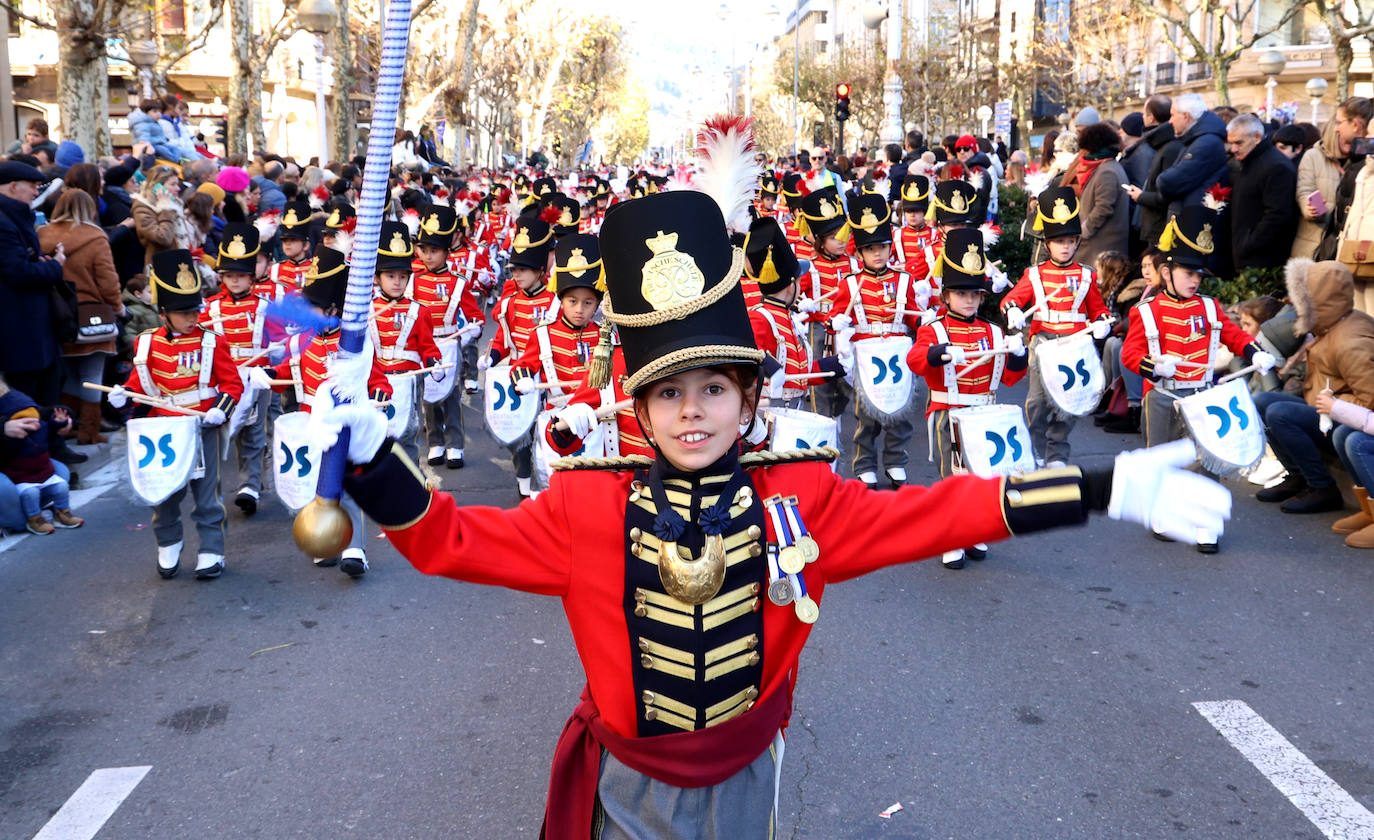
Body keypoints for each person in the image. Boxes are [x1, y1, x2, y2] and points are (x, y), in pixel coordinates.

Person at [307, 186, 1231, 838]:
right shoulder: (586, 502)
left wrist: (1109, 490)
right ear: (637, 409)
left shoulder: (803, 495)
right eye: (668, 395)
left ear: (751, 401)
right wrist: (367, 461)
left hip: (749, 772)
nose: (694, 411)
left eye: (715, 388)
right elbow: (450, 541)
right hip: (629, 783)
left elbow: (948, 511)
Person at [1121, 208, 1275, 551]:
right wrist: (1155, 366)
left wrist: (1254, 352)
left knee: (1209, 457)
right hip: (1162, 394)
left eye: (1198, 275)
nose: (1194, 281)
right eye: (1187, 273)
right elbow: (1129, 354)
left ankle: (1206, 519)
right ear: (1166, 272)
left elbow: (1233, 335)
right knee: (1163, 456)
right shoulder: (1146, 311)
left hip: (1203, 392)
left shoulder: (1209, 307)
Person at [252, 247, 392, 575]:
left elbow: (378, 377)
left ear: (333, 308)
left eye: (314, 305)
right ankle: (325, 541)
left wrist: (380, 396)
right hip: (312, 424)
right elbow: (290, 368)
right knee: (318, 485)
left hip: (346, 423)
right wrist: (268, 375)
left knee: (348, 487)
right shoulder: (304, 339)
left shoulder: (357, 343)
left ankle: (354, 548)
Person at [108, 249, 242, 579]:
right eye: (183, 313)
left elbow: (232, 384)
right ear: (164, 312)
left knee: (207, 495)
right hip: (163, 430)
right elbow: (140, 384)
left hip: (202, 427)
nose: (191, 318)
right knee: (164, 492)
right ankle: (168, 542)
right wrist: (122, 394)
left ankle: (211, 551)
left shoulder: (213, 341)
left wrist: (219, 411)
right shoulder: (146, 343)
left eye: (194, 310)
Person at [909, 227, 1028, 567]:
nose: (969, 300)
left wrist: (1018, 354)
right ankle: (952, 537)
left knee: (981, 480)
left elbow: (1008, 376)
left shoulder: (993, 331)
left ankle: (972, 531)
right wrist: (937, 354)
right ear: (945, 296)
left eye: (975, 294)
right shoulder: (933, 330)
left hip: (984, 414)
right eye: (961, 294)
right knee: (953, 479)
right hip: (949, 411)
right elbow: (915, 360)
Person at [1002, 187, 1111, 466]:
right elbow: (1011, 299)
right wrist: (1013, 311)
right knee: (1037, 403)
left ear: (1077, 243)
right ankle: (1036, 450)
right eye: (1058, 241)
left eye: (1070, 241)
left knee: (1068, 405)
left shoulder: (1087, 275)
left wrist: (1101, 323)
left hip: (1075, 346)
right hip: (1044, 345)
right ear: (1048, 244)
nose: (1064, 246)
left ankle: (1057, 453)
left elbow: (1098, 309)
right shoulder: (1034, 273)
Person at [1255, 258, 1374, 513]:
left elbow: (1371, 401)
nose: (1298, 308)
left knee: (1280, 413)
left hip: (1344, 419)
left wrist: (1334, 405)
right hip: (1327, 410)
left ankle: (1321, 487)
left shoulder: (1349, 341)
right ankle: (1299, 476)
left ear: (1320, 301)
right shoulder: (1331, 323)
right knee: (1263, 401)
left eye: (1303, 300)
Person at [37, 190, 124, 444]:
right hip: (92, 314)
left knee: (69, 375)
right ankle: (89, 431)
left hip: (57, 314)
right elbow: (108, 280)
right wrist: (119, 308)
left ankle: (65, 426)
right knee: (93, 377)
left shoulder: (42, 234)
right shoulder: (95, 236)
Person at [480, 216, 556, 498]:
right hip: (516, 374)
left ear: (539, 270)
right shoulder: (510, 303)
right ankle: (524, 478)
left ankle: (544, 481)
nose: (517, 275)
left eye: (524, 270)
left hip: (546, 376)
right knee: (520, 434)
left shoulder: (555, 301)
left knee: (544, 432)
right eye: (514, 270)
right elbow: (503, 338)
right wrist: (492, 356)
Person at [201, 222, 272, 515]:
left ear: (250, 277)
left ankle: (250, 486)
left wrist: (270, 366)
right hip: (226, 380)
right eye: (230, 276)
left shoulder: (266, 306)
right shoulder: (210, 308)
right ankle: (211, 486)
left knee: (254, 434)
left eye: (241, 276)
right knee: (222, 431)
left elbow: (278, 342)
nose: (235, 281)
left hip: (256, 377)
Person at [744, 217, 844, 409]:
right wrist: (770, 367)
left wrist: (837, 364)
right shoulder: (760, 316)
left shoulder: (786, 316)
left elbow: (799, 373)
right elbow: (747, 353)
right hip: (767, 413)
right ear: (792, 286)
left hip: (792, 408)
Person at [413, 206, 482, 468]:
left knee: (452, 398)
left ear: (445, 252)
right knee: (429, 399)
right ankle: (435, 443)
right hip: (423, 346)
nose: (428, 256)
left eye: (434, 251)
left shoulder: (457, 282)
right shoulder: (412, 281)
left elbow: (476, 316)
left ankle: (455, 445)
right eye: (424, 250)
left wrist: (472, 330)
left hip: (449, 345)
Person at [371, 220, 441, 463]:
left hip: (408, 380)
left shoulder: (419, 311)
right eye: (390, 276)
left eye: (403, 276)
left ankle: (411, 478)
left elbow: (427, 345)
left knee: (409, 432)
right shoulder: (368, 310)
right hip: (375, 381)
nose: (397, 282)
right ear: (378, 277)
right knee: (376, 434)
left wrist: (433, 360)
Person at [0, 160, 66, 407]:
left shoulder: (13, 217)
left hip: (33, 326)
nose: (37, 192)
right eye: (33, 186)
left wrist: (40, 262)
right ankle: (42, 444)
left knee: (48, 385)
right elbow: (18, 272)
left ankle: (53, 442)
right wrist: (55, 265)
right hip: (19, 327)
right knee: (29, 395)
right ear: (14, 186)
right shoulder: (4, 222)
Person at [1126, 94, 1227, 232]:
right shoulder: (1195, 139)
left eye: (1173, 115)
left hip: (1193, 225)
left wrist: (1160, 182)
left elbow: (1169, 181)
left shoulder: (1206, 142)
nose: (1170, 121)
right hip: (1188, 220)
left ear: (1186, 116)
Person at [0, 377, 83, 535]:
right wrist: (2, 429)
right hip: (8, 465)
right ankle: (27, 519)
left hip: (19, 462)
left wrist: (60, 417)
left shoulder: (6, 395)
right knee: (5, 491)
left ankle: (34, 513)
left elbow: (32, 411)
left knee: (61, 473)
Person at [1293, 98, 1370, 260]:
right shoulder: (1315, 156)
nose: (1337, 130)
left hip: (1350, 251)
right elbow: (1303, 190)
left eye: (1339, 123)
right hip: (1317, 244)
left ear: (1356, 125)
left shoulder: (1364, 163)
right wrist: (1309, 208)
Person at [1226, 113, 1298, 274]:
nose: (1233, 149)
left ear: (1257, 137)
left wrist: (1248, 244)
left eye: (1239, 143)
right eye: (1231, 143)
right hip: (1247, 257)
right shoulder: (1250, 162)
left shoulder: (1276, 166)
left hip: (1262, 262)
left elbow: (1277, 215)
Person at [1075, 122, 1131, 266]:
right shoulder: (1107, 167)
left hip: (1100, 248)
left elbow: (1103, 208)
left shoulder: (1107, 171)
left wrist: (1084, 231)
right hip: (1100, 247)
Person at [132, 166, 194, 266]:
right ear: (157, 187)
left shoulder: (176, 204)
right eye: (173, 184)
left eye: (177, 184)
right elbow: (163, 238)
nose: (178, 189)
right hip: (162, 267)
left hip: (181, 264)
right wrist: (165, 209)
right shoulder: (142, 208)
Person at [128, 99, 186, 163]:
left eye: (160, 111)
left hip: (160, 144)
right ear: (145, 112)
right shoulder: (143, 124)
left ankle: (177, 159)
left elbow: (159, 135)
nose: (158, 114)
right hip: (151, 146)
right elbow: (143, 136)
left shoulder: (155, 122)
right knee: (163, 150)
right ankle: (176, 160)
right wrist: (146, 145)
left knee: (175, 149)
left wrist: (165, 139)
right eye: (155, 111)